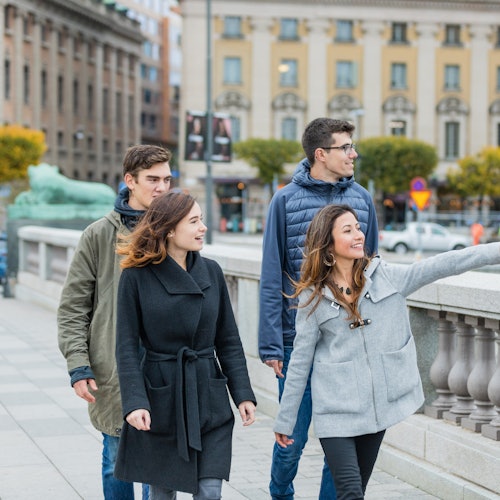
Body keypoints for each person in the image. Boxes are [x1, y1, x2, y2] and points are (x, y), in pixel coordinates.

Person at [274, 204, 500, 499]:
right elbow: (301, 362)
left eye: (357, 227)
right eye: (348, 230)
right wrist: (286, 420)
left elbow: (447, 263)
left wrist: (494, 251)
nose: (358, 234)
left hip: (375, 409)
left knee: (358, 490)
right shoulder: (313, 296)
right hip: (335, 409)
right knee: (350, 492)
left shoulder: (388, 277)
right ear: (327, 245)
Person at [258, 117, 379, 500]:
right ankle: (280, 492)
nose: (353, 153)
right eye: (346, 147)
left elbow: (371, 269)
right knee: (291, 436)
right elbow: (271, 274)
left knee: (341, 443)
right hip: (298, 342)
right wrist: (271, 344)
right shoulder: (285, 200)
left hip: (346, 344)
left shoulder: (361, 199)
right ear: (321, 154)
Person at [113, 191, 257, 499]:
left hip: (208, 395)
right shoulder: (136, 277)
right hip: (161, 396)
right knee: (162, 492)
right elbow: (126, 346)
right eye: (194, 221)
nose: (203, 227)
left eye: (201, 219)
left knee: (209, 491)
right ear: (168, 229)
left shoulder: (212, 272)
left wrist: (243, 394)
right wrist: (135, 402)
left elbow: (228, 340)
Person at [57, 144, 173, 499]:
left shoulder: (176, 229)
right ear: (129, 181)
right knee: (116, 459)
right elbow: (73, 306)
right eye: (152, 179)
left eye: (167, 179)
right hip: (115, 367)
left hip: (167, 365)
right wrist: (79, 365)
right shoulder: (98, 234)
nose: (161, 188)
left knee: (166, 463)